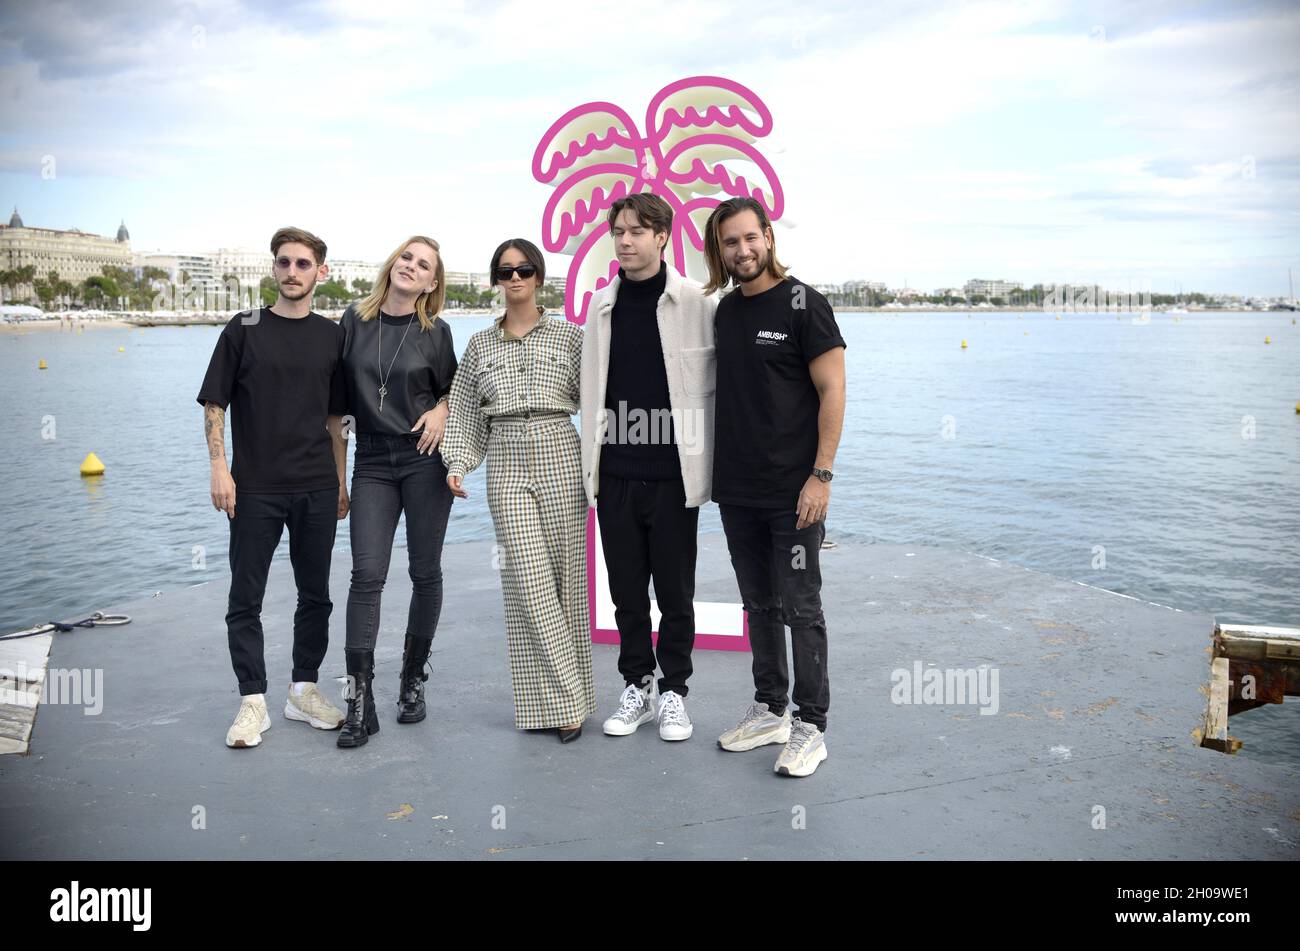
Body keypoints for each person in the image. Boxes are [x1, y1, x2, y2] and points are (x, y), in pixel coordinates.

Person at [703, 197, 847, 777]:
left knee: (800, 606)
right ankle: (771, 710)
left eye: (748, 238)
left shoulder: (804, 304)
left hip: (795, 492)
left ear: (767, 235)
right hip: (737, 489)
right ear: (720, 250)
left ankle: (811, 726)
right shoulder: (726, 312)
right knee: (758, 603)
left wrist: (821, 474)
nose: (741, 250)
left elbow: (833, 391)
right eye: (729, 242)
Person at [198, 226, 349, 749]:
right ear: (272, 268)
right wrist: (220, 468)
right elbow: (215, 404)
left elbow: (336, 420)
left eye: (302, 264)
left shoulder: (333, 336)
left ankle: (302, 690)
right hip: (255, 487)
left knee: (316, 597)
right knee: (246, 597)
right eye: (283, 262)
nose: (291, 272)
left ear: (320, 272)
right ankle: (252, 701)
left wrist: (341, 483)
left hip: (315, 486)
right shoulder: (244, 328)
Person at [441, 239, 593, 741]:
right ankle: (566, 701)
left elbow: (596, 403)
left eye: (524, 269)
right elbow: (463, 407)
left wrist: (602, 468)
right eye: (504, 271)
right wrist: (458, 462)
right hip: (506, 456)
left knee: (568, 581)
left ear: (539, 276)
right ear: (495, 280)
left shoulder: (572, 336)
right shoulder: (481, 345)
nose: (514, 278)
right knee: (526, 581)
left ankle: (560, 702)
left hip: (559, 450)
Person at [579, 193, 717, 741]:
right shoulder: (601, 307)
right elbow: (590, 386)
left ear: (662, 235)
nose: (626, 241)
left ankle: (675, 692)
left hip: (674, 476)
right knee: (627, 593)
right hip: (614, 473)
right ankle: (636, 684)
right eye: (619, 232)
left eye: (637, 231)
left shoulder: (697, 304)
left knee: (676, 592)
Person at [335, 236, 457, 749]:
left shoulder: (437, 331)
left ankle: (412, 681)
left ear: (432, 282)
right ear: (393, 264)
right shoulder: (353, 321)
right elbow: (336, 407)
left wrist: (444, 408)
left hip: (425, 459)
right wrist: (338, 478)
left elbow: (456, 390)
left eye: (423, 264)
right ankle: (359, 700)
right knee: (367, 573)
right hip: (373, 462)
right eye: (407, 257)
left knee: (424, 571)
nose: (412, 266)